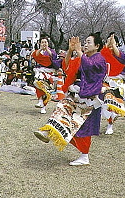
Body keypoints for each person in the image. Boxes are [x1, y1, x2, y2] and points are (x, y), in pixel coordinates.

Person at [34, 33, 106, 166]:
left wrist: (79, 52)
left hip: (90, 98)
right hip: (78, 94)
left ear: (97, 46)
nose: (85, 44)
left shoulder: (99, 59)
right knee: (62, 109)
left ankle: (84, 156)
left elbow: (90, 66)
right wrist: (70, 51)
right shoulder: (82, 57)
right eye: (85, 42)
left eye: (89, 42)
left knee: (81, 128)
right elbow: (66, 66)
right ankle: (48, 131)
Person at [31, 33, 60, 114]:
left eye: (45, 42)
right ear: (40, 43)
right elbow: (36, 55)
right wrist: (41, 49)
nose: (44, 44)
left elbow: (53, 56)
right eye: (42, 42)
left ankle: (43, 106)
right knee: (37, 84)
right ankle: (40, 100)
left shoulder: (51, 51)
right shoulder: (38, 51)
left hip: (49, 72)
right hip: (40, 71)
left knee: (46, 90)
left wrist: (47, 49)